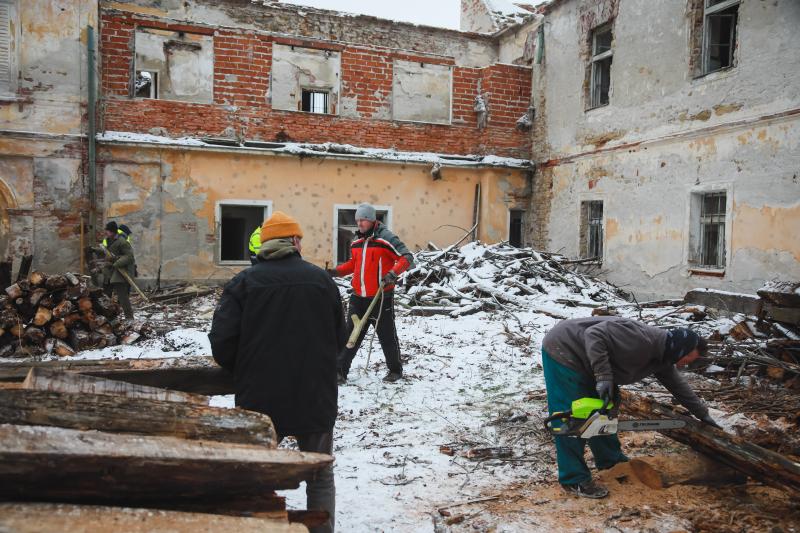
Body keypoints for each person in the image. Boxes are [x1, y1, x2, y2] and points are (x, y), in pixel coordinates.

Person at [209, 211, 345, 533]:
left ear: (266, 244)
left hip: (260, 397)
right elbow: (339, 339)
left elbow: (222, 342)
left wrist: (245, 370)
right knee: (319, 473)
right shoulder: (321, 280)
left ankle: (260, 527)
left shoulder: (243, 283)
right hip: (315, 395)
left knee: (257, 473)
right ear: (295, 241)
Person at [541, 317, 719, 499]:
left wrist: (702, 414)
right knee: (573, 418)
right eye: (688, 358)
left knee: (604, 411)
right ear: (681, 349)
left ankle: (610, 461)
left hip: (590, 362)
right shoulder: (641, 339)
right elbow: (594, 334)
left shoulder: (663, 357)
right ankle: (574, 478)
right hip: (565, 350)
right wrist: (603, 376)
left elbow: (678, 385)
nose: (686, 364)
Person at [328, 203, 413, 384]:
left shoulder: (385, 238)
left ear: (372, 220)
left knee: (386, 335)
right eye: (358, 220)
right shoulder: (357, 243)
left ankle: (395, 370)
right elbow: (353, 265)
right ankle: (340, 372)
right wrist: (335, 272)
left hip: (381, 298)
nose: (359, 223)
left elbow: (406, 257)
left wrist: (392, 274)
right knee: (351, 335)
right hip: (358, 297)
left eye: (363, 220)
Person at [101, 221, 136, 319]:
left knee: (122, 295)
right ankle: (108, 315)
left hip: (122, 270)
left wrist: (116, 263)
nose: (106, 232)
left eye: (108, 231)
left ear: (113, 231)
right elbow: (110, 253)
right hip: (112, 271)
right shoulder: (109, 240)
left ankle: (129, 317)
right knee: (106, 294)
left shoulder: (122, 241)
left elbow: (129, 257)